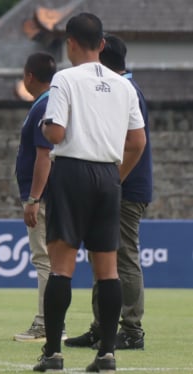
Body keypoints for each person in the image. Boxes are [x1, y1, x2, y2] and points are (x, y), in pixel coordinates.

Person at [32, 13, 146, 373]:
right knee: (107, 270)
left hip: (72, 173)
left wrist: (45, 123)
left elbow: (55, 133)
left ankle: (52, 355)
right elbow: (137, 141)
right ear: (101, 44)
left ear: (70, 43)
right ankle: (107, 354)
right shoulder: (124, 85)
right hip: (108, 177)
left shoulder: (64, 79)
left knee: (62, 268)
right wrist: (117, 176)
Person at [65, 34, 152, 351]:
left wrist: (112, 181)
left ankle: (131, 329)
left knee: (123, 257)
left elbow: (133, 144)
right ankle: (102, 326)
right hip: (118, 185)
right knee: (104, 255)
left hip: (125, 188)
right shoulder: (123, 88)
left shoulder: (125, 90)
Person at [13, 52, 59, 342]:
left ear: (29, 76)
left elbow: (44, 156)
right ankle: (53, 322)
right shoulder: (50, 102)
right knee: (51, 260)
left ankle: (46, 323)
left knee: (44, 259)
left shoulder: (44, 105)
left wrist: (34, 198)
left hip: (42, 195)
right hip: (51, 193)